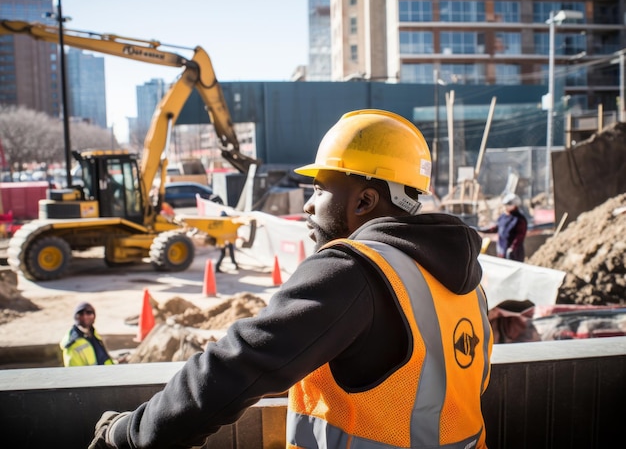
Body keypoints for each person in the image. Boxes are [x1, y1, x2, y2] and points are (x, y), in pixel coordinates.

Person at [89, 109, 493, 449]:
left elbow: (236, 366)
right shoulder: (463, 283)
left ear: (364, 201)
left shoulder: (351, 270)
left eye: (319, 189)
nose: (309, 204)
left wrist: (128, 433)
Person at [60, 302, 115, 367]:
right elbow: (75, 374)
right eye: (80, 313)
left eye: (88, 312)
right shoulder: (72, 345)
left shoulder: (93, 332)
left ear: (94, 315)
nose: (85, 316)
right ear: (75, 317)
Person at [482, 193, 528, 262]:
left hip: (514, 253)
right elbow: (498, 227)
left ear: (514, 206)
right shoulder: (503, 216)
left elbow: (520, 235)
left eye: (508, 205)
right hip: (502, 249)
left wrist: (512, 248)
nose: (505, 207)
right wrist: (484, 230)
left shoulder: (519, 219)